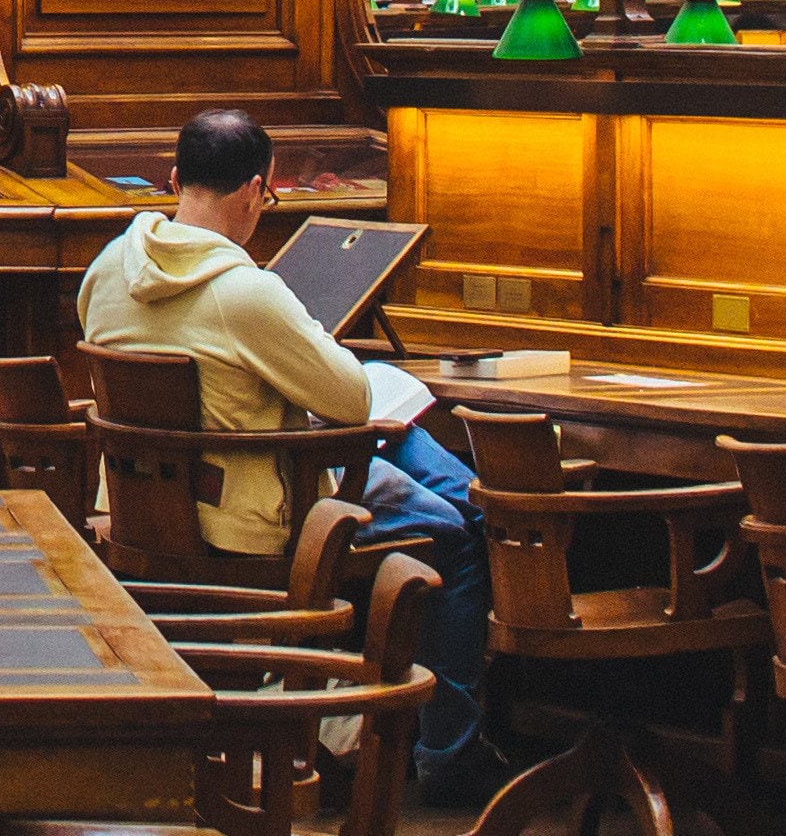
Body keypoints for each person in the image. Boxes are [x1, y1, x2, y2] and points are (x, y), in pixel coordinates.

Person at [77, 105, 496, 805]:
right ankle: (446, 759)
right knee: (452, 535)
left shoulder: (106, 268)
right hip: (249, 522)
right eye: (265, 197)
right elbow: (351, 398)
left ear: (175, 177)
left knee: (424, 471)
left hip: (138, 512)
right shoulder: (245, 291)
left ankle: (354, 722)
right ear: (253, 189)